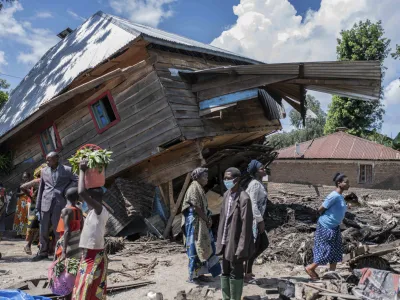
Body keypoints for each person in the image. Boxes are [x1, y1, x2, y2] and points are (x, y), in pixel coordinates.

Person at [72, 159, 109, 300]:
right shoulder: (93, 211)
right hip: (88, 254)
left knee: (90, 287)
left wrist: (82, 170)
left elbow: (81, 192)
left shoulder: (100, 210)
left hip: (94, 256)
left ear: (92, 198)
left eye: (89, 196)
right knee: (84, 286)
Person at [216, 167, 254, 300]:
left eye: (228, 178)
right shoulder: (227, 195)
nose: (225, 181)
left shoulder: (244, 199)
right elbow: (222, 219)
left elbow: (246, 226)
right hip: (224, 240)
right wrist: (219, 239)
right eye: (225, 178)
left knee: (236, 272)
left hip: (236, 242)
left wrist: (242, 248)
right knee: (225, 270)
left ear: (236, 180)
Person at [305, 173, 350, 280]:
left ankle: (331, 274)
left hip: (334, 227)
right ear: (339, 183)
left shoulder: (340, 196)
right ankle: (310, 268)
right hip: (327, 226)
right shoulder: (333, 195)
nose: (348, 185)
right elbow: (321, 209)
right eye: (346, 182)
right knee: (327, 250)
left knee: (336, 251)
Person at [33, 152, 78, 261]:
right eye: (47, 160)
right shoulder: (44, 171)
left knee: (59, 230)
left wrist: (66, 190)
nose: (47, 162)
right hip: (45, 203)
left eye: (49, 160)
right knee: (43, 229)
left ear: (57, 159)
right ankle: (43, 252)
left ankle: (59, 253)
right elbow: (41, 188)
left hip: (60, 203)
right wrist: (38, 206)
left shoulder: (67, 170)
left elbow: (76, 180)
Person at [181, 167, 222, 283]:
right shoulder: (194, 188)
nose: (207, 179)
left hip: (200, 223)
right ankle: (192, 277)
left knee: (203, 247)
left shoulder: (199, 188)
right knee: (195, 249)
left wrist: (207, 219)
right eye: (205, 176)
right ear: (198, 177)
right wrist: (206, 219)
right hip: (194, 224)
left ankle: (200, 274)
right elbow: (196, 207)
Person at [244, 160, 269, 282]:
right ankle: (246, 273)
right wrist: (260, 221)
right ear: (255, 172)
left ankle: (247, 270)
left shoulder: (259, 183)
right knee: (255, 246)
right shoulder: (254, 184)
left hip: (257, 219)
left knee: (262, 244)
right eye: (261, 169)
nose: (264, 170)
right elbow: (252, 203)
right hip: (254, 220)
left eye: (264, 168)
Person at [22, 164, 47, 255]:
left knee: (44, 226)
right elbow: (23, 187)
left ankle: (42, 246)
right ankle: (28, 245)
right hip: (36, 205)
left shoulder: (49, 181)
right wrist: (31, 196)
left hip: (45, 205)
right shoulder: (37, 181)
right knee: (34, 225)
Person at [54, 187, 83, 260]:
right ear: (77, 198)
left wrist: (64, 251)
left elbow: (67, 231)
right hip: (76, 241)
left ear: (66, 196)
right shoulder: (79, 211)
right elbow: (81, 228)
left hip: (67, 242)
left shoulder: (66, 211)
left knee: (63, 263)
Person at [13, 172, 32, 237]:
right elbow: (16, 194)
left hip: (28, 202)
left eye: (26, 177)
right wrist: (24, 192)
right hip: (21, 203)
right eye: (24, 177)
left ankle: (26, 233)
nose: (25, 178)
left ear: (29, 178)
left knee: (27, 217)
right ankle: (19, 233)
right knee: (20, 217)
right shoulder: (20, 185)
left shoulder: (31, 185)